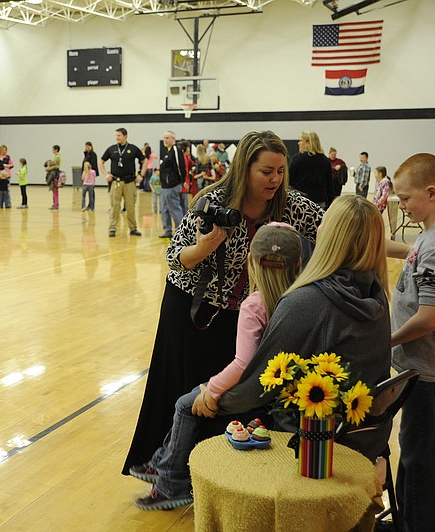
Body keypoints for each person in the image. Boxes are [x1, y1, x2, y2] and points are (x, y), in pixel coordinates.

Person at [122, 130, 324, 476]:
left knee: (228, 397)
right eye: (266, 172)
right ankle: (168, 469)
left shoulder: (291, 204)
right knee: (181, 389)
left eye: (280, 171)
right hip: (191, 309)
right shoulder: (212, 201)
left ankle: (216, 472)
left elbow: (339, 234)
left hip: (244, 315)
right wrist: (205, 247)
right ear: (245, 168)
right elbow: (175, 256)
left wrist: (405, 250)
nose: (275, 179)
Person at [131, 222, 303, 510]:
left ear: (250, 261)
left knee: (187, 404)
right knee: (191, 398)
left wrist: (211, 389)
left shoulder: (254, 305)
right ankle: (162, 463)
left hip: (259, 391)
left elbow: (243, 363)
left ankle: (172, 480)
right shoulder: (301, 297)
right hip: (285, 387)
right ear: (299, 263)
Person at [217, 194, 391, 463]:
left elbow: (257, 389)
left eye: (325, 220)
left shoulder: (308, 301)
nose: (318, 226)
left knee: (213, 417)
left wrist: (207, 398)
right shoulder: (376, 293)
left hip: (317, 445)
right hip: (370, 436)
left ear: (330, 236)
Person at [385, 153, 435, 532]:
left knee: (420, 463)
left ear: (431, 193)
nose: (402, 205)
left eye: (405, 199)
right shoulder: (432, 236)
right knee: (419, 456)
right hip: (426, 369)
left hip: (429, 373)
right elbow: (410, 254)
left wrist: (385, 342)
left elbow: (428, 318)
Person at [100, 128, 147, 237]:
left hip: (129, 182)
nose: (117, 138)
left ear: (125, 136)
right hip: (116, 182)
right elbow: (101, 161)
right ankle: (112, 228)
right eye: (116, 136)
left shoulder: (133, 149)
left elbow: (144, 161)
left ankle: (133, 228)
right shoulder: (111, 149)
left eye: (119, 136)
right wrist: (105, 175)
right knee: (115, 206)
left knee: (130, 207)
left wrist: (141, 175)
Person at [288, 130, 333, 208]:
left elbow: (288, 181)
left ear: (308, 143)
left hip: (300, 203)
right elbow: (329, 186)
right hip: (319, 204)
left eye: (301, 141)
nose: (298, 143)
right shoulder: (325, 161)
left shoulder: (297, 159)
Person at [157, 130, 186, 239]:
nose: (165, 140)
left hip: (172, 185)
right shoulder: (167, 152)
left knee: (174, 209)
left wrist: (182, 181)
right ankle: (167, 230)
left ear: (173, 139)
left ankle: (180, 232)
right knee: (164, 209)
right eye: (164, 138)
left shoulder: (176, 150)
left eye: (167, 138)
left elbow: (180, 167)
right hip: (164, 186)